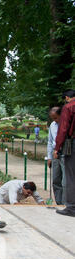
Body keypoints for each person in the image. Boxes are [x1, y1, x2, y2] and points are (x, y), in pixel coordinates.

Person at [54, 89, 75, 217]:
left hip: (72, 143)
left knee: (70, 176)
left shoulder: (69, 108)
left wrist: (57, 147)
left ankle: (72, 207)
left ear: (67, 98)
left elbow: (63, 129)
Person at [47, 107, 66, 205]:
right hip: (55, 155)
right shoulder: (52, 125)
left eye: (56, 117)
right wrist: (49, 157)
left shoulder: (67, 124)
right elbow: (50, 141)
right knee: (56, 180)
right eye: (53, 118)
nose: (55, 120)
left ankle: (66, 203)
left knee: (65, 181)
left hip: (65, 153)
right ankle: (59, 203)